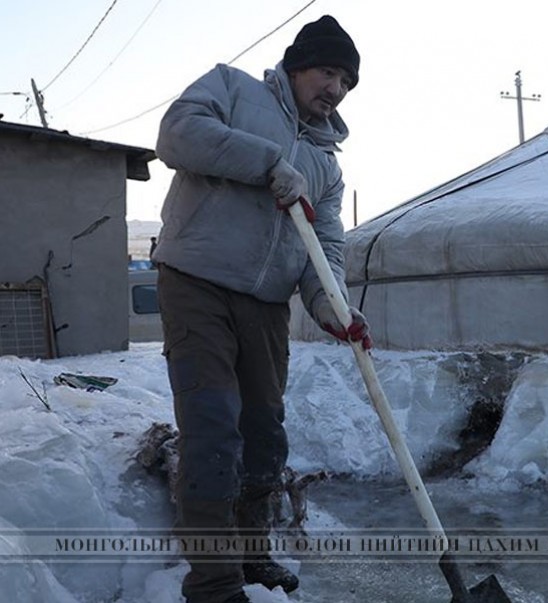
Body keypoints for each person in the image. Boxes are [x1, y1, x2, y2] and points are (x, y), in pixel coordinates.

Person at [152, 15, 370, 603]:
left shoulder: (326, 163)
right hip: (197, 281)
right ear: (297, 67)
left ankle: (252, 554)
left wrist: (332, 306)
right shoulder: (232, 89)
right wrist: (268, 162)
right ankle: (214, 585)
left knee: (264, 436)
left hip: (267, 304)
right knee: (213, 427)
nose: (336, 89)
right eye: (328, 72)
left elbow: (324, 246)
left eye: (346, 82)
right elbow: (177, 134)